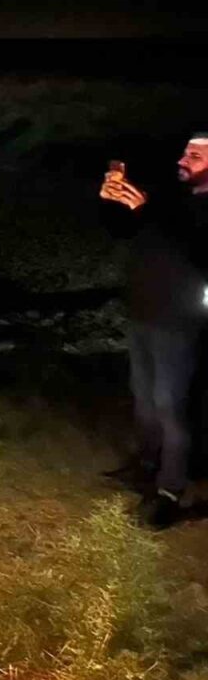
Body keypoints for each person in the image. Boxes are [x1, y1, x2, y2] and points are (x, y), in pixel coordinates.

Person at [100, 134, 208, 528]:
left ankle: (170, 492)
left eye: (195, 156)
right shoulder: (170, 199)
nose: (183, 159)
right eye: (184, 151)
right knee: (144, 401)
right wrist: (111, 202)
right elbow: (124, 231)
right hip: (143, 315)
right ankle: (146, 468)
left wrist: (147, 211)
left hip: (179, 324)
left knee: (170, 406)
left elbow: (193, 249)